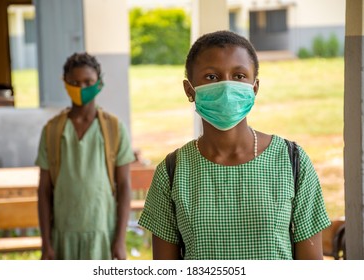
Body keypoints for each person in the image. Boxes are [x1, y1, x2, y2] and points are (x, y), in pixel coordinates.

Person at [138, 30, 331, 260]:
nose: (227, 88)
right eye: (211, 77)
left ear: (255, 88)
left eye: (239, 76)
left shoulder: (291, 161)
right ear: (190, 90)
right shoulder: (172, 172)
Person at [36, 52, 135, 260]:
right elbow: (44, 190)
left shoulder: (113, 129)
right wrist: (46, 244)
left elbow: (124, 185)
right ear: (65, 84)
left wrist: (119, 241)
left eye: (88, 82)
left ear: (99, 83)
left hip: (102, 236)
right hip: (62, 236)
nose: (81, 88)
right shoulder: (52, 131)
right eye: (75, 82)